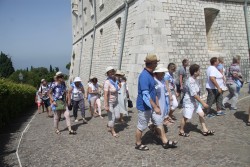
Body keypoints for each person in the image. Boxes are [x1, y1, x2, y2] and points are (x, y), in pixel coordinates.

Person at [135, 54, 177, 151]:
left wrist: (157, 104)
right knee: (141, 126)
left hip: (153, 105)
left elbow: (153, 92)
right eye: (156, 63)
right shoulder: (144, 76)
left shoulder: (150, 74)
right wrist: (155, 107)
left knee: (159, 122)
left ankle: (165, 142)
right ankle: (138, 143)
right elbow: (145, 95)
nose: (157, 64)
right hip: (144, 107)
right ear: (152, 63)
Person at [179, 64, 215, 137]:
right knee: (186, 117)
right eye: (198, 70)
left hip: (196, 101)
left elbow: (198, 93)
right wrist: (203, 103)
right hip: (189, 101)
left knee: (201, 114)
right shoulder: (190, 81)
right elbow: (194, 94)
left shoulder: (197, 80)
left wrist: (200, 102)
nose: (200, 72)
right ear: (195, 72)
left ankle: (205, 130)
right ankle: (181, 130)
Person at [104, 66, 120, 137]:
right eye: (110, 72)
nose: (112, 73)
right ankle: (113, 131)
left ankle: (109, 124)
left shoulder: (116, 80)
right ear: (108, 74)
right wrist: (106, 105)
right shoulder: (107, 82)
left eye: (112, 71)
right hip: (109, 102)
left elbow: (119, 87)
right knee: (112, 117)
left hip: (116, 101)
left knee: (117, 116)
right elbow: (105, 94)